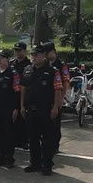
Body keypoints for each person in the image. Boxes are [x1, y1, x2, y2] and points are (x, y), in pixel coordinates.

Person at [20, 44, 62, 176]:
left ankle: (47, 165)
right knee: (33, 138)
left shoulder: (52, 71)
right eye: (32, 55)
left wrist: (55, 107)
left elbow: (58, 90)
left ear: (44, 56)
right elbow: (23, 89)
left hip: (46, 109)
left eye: (36, 55)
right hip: (30, 109)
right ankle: (34, 163)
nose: (34, 57)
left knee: (47, 139)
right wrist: (22, 106)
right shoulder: (27, 70)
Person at [0, 49, 20, 168]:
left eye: (2, 58)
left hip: (8, 109)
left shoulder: (13, 73)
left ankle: (9, 158)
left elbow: (17, 91)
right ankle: (0, 156)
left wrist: (16, 108)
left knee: (8, 134)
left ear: (7, 59)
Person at [43, 41, 70, 154]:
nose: (45, 55)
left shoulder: (61, 64)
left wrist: (60, 99)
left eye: (46, 52)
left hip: (57, 97)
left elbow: (66, 82)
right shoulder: (44, 64)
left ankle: (55, 145)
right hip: (46, 97)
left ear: (53, 52)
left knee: (55, 124)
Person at [10, 41, 31, 150]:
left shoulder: (29, 64)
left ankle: (24, 140)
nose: (17, 52)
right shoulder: (11, 64)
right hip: (13, 94)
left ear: (24, 51)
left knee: (23, 119)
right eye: (16, 50)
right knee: (13, 118)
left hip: (25, 94)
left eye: (20, 50)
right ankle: (14, 139)